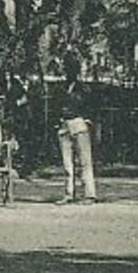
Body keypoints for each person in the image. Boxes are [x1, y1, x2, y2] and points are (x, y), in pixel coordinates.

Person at [56, 61, 98, 205]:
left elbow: (91, 105)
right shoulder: (62, 88)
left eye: (71, 69)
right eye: (67, 70)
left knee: (84, 161)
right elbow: (57, 105)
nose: (68, 73)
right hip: (64, 124)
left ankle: (89, 194)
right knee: (67, 162)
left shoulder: (83, 88)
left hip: (78, 123)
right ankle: (69, 193)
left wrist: (87, 120)